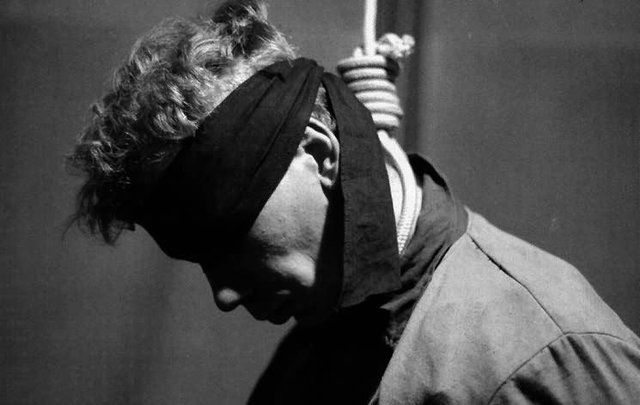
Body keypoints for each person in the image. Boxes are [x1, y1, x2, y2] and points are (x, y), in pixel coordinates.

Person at [68, 1, 640, 403]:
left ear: (320, 154)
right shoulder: (319, 340)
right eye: (200, 258)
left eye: (228, 234)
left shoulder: (542, 353)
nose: (223, 295)